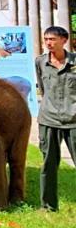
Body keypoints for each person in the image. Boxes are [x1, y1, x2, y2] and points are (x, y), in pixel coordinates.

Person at [35, 26, 75, 211]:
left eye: (52, 39)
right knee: (48, 165)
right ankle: (48, 206)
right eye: (46, 40)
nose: (48, 43)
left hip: (74, 120)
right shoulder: (40, 62)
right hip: (49, 119)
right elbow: (42, 88)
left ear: (64, 40)